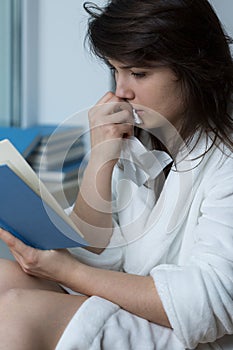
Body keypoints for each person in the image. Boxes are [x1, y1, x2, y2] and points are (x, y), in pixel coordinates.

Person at [0, 0, 232, 349]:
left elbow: (206, 308)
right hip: (137, 307)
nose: (122, 91)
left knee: (21, 312)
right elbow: (98, 253)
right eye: (116, 71)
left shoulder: (225, 161)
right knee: (3, 277)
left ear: (194, 68)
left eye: (138, 74)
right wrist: (102, 159)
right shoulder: (144, 139)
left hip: (191, 336)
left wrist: (65, 272)